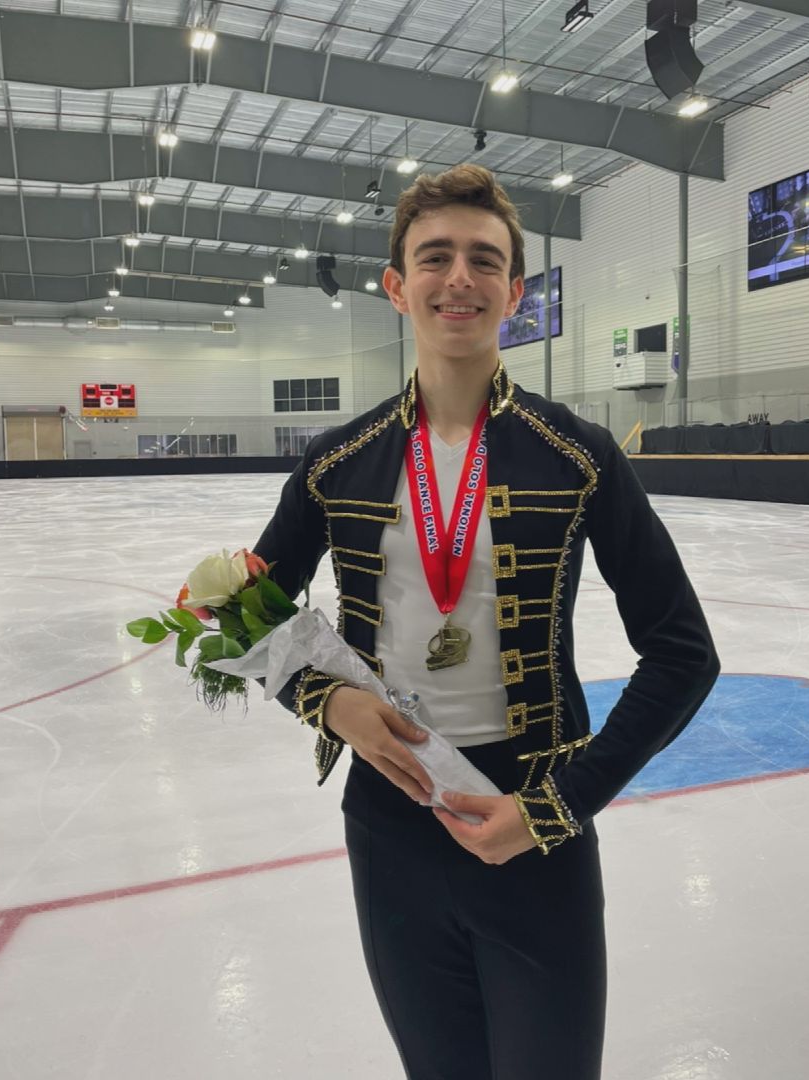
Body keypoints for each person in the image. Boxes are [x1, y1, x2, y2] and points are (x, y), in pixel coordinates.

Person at [252, 163, 719, 1080]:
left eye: (483, 260)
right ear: (397, 287)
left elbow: (683, 654)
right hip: (389, 824)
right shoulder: (334, 460)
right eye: (435, 257)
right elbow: (235, 616)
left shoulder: (578, 457)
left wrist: (552, 811)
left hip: (534, 827)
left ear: (513, 292)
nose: (458, 278)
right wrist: (329, 705)